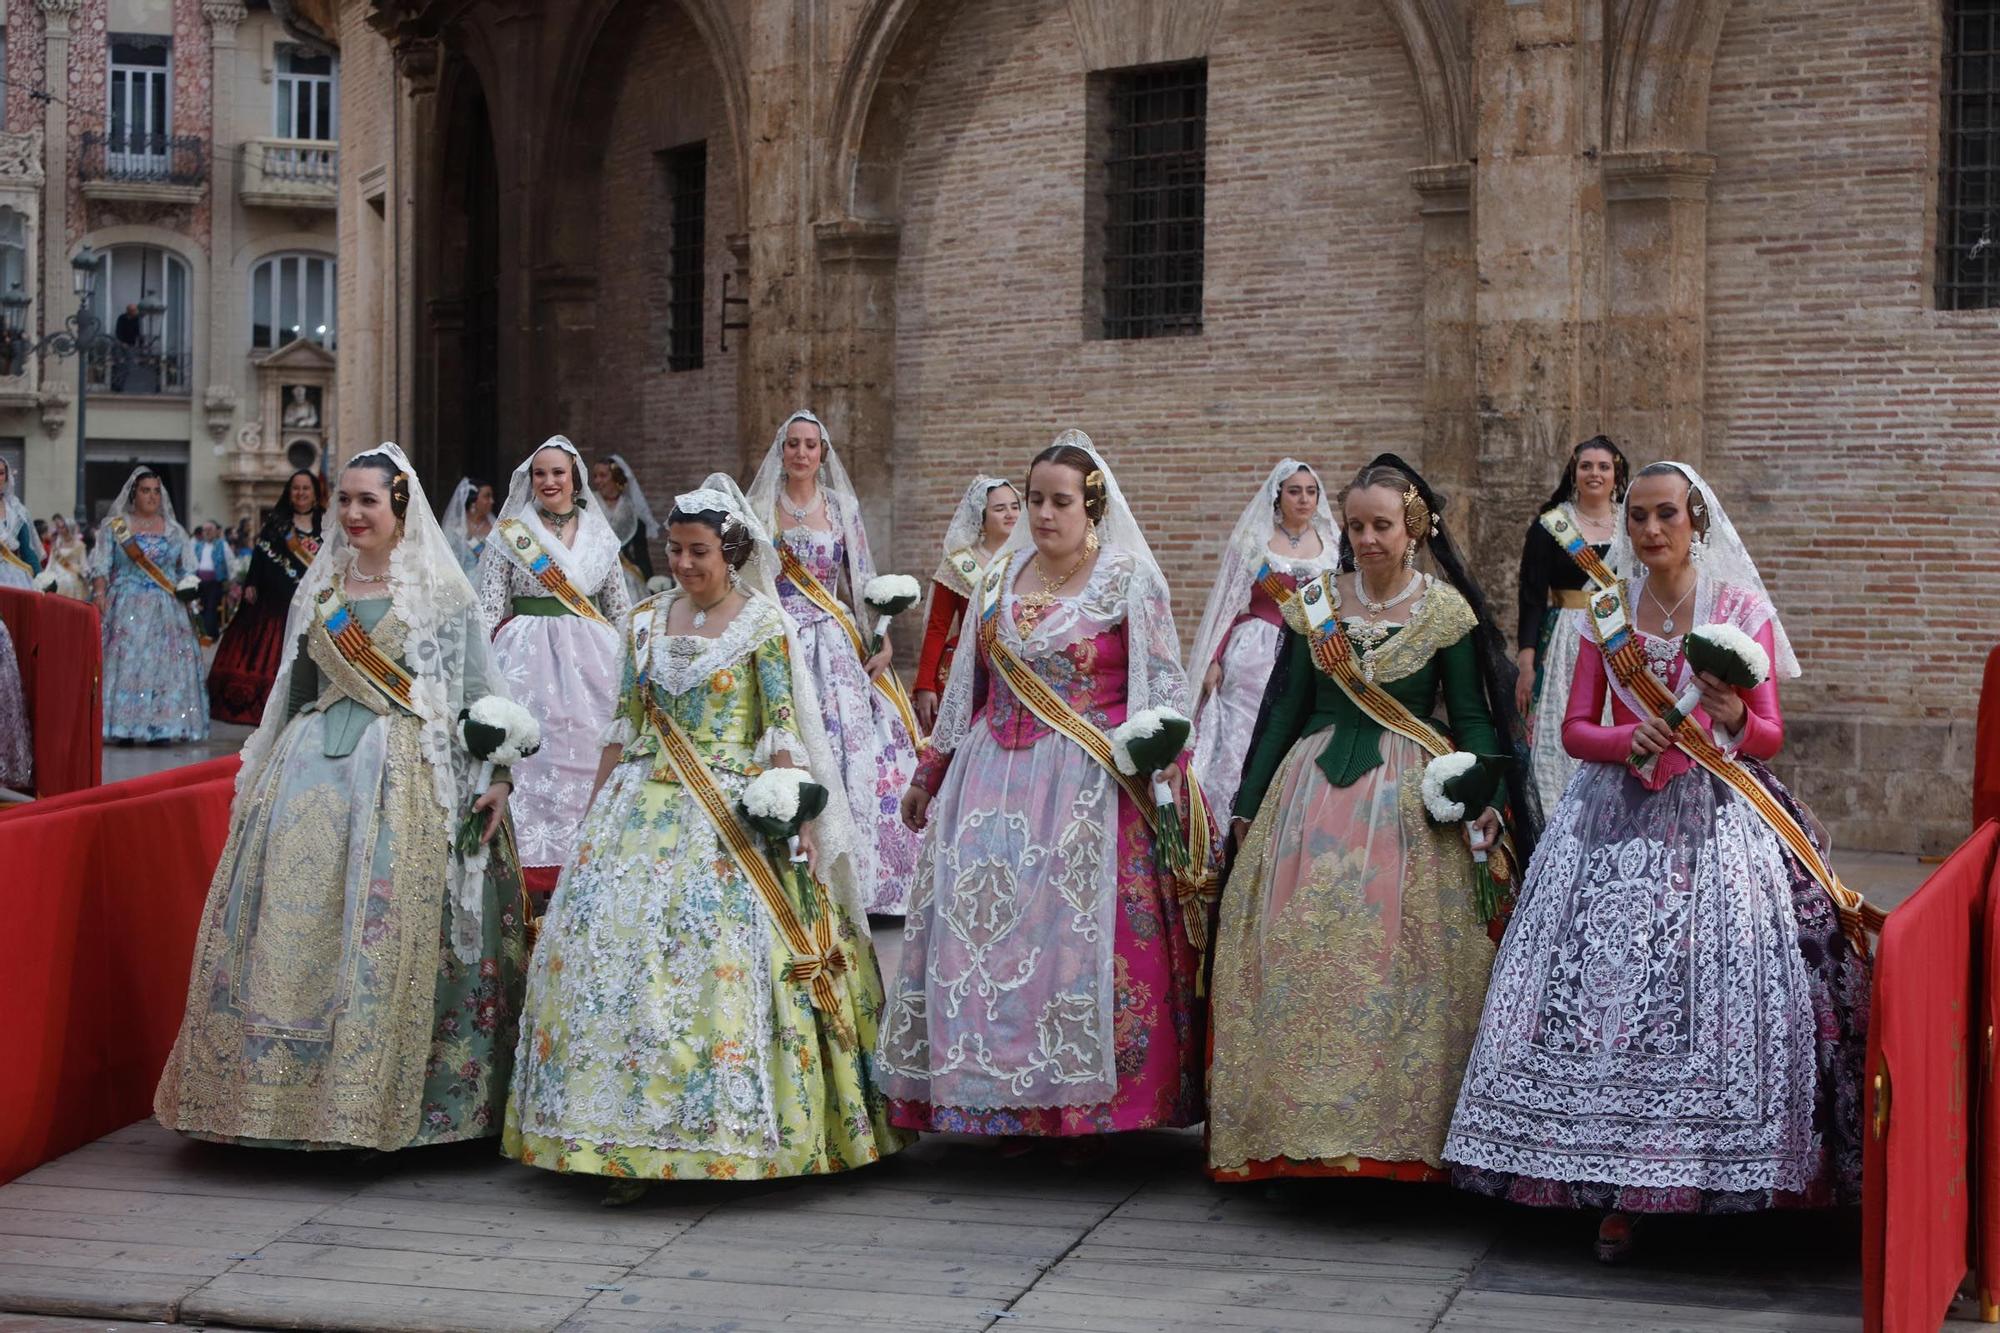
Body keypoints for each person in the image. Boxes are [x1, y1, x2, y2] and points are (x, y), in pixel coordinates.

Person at [1445, 462, 1871, 1262]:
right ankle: (1604, 1178)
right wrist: (1623, 737)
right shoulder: (1604, 613)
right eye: (1637, 516)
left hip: (1721, 812)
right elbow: (1575, 727)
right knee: (1602, 987)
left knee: (1744, 961)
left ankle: (1721, 1167)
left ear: (1696, 521)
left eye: (1665, 515)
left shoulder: (1739, 610)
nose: (1649, 530)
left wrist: (1736, 711)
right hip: (1613, 818)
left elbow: (1770, 734)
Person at [503, 475, 909, 1198]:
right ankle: (615, 1140)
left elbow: (780, 730)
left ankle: (724, 1137)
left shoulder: (760, 625)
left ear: (731, 551)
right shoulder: (646, 621)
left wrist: (795, 815)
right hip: (638, 807)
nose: (685, 564)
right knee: (616, 965)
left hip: (730, 813)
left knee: (718, 970)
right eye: (676, 549)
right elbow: (624, 725)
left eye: (699, 552)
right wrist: (592, 821)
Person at [154, 445, 526, 1151]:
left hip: (408, 775)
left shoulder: (440, 594)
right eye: (345, 501)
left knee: (387, 927)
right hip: (308, 776)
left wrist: (500, 778)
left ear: (399, 509)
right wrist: (261, 771)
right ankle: (266, 1098)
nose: (353, 514)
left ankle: (399, 1101)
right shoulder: (322, 589)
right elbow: (294, 691)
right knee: (290, 928)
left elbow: (480, 696)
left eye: (367, 501)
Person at [877, 431, 1218, 1146]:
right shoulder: (998, 578)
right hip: (987, 785)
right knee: (988, 943)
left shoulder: (1127, 579)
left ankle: (1083, 1108)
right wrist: (928, 776)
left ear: (1090, 506)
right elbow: (969, 683)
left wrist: (1169, 780)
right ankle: (995, 1097)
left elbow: (1161, 687)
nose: (1043, 514)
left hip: (1089, 787)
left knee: (1068, 943)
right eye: (1034, 499)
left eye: (1059, 501)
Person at [1205, 455, 1536, 1185]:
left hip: (1409, 801)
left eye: (1381, 524)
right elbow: (1282, 713)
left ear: (1412, 526)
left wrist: (1481, 794)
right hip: (1308, 801)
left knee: (1397, 959)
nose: (1367, 538)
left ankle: (1394, 1136)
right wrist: (1245, 806)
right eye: (1355, 525)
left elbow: (1476, 717)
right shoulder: (1315, 604)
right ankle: (1295, 1134)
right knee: (1297, 951)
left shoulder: (1445, 611)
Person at [747, 410, 923, 915]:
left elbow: (862, 577)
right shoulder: (761, 508)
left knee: (851, 748)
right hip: (782, 637)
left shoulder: (842, 506)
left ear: (823, 454)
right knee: (796, 742)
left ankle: (863, 882)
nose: (801, 453)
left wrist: (883, 641)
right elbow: (752, 581)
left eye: (811, 445)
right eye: (792, 444)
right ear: (781, 452)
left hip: (835, 638)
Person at [477, 436, 630, 894]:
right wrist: (479, 668)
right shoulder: (510, 534)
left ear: (575, 478)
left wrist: (632, 662)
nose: (549, 481)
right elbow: (488, 606)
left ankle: (589, 853)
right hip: (525, 656)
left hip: (592, 659)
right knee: (531, 757)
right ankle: (528, 868)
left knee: (590, 750)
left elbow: (619, 608)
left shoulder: (601, 535)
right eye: (540, 473)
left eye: (558, 472)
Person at [1186, 459, 1341, 823]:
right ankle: (1227, 821)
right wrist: (1214, 658)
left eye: (1311, 491)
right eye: (1294, 491)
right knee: (1243, 739)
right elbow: (1226, 603)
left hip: (1314, 649)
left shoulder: (1333, 545)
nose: (1304, 499)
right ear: (1277, 495)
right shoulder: (1254, 543)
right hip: (1254, 653)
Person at [1517, 436, 1628, 813]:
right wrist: (1526, 664)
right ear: (1573, 471)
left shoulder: (1632, 523)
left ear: (1616, 473)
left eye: (1603, 467)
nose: (1594, 473)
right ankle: (1556, 811)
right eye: (1586, 466)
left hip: (1619, 637)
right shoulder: (1551, 525)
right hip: (1564, 636)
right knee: (1561, 722)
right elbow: (1531, 598)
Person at [89, 468, 207, 744]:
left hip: (166, 608)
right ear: (134, 494)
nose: (152, 496)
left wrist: (188, 587)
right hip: (125, 605)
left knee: (163, 665)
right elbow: (101, 566)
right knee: (127, 664)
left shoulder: (175, 531)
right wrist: (99, 594)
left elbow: (186, 568)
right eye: (145, 490)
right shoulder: (116, 527)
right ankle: (122, 726)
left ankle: (161, 726)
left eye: (156, 490)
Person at [207, 470, 325, 725]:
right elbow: (260, 556)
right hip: (274, 603)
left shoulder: (325, 525)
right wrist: (251, 582)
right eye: (296, 488)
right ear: (289, 492)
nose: (301, 493)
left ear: (315, 493)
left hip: (310, 605)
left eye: (306, 488)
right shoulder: (278, 523)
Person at [911, 476, 1019, 733]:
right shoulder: (958, 564)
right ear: (981, 516)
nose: (1010, 514)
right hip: (966, 671)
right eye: (999, 508)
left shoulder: (1032, 560)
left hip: (1016, 669)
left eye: (1015, 507)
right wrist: (924, 684)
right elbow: (938, 627)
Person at [589, 454, 659, 604]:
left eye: (603, 475)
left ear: (616, 477)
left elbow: (641, 552)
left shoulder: (631, 510)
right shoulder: (589, 504)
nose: (597, 481)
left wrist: (650, 581)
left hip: (625, 569)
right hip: (593, 568)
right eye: (595, 476)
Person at [442, 477, 496, 581]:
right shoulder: (455, 528)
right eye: (487, 496)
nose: (492, 501)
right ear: (473, 501)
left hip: (489, 582)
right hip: (463, 583)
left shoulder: (495, 527)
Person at [189, 520, 235, 640]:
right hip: (199, 582)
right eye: (205, 530)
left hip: (215, 582)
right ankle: (201, 632)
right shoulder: (198, 546)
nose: (208, 532)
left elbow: (230, 562)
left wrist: (231, 580)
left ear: (216, 532)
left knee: (211, 607)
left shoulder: (222, 544)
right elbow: (192, 563)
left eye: (210, 529)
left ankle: (210, 634)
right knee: (198, 607)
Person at [0, 457, 40, 589]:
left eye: (0, 473)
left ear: (6, 477)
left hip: (15, 578)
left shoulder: (17, 511)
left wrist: (41, 579)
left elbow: (27, 551)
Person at [43, 514, 89, 600]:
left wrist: (83, 575)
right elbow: (51, 562)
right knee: (43, 581)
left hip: (72, 573)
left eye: (62, 527)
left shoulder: (79, 545)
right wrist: (46, 573)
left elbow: (84, 564)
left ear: (69, 528)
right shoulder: (56, 544)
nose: (59, 529)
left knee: (66, 582)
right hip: (55, 571)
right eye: (59, 527)